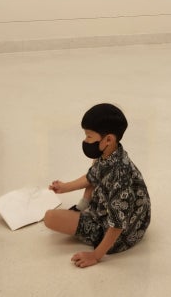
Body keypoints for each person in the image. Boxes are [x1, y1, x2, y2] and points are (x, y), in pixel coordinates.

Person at [44, 103, 151, 268]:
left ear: (108, 139)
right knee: (95, 166)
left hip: (118, 234)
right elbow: (92, 176)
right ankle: (82, 208)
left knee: (50, 218)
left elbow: (117, 224)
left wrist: (95, 256)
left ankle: (84, 215)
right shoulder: (109, 153)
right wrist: (65, 187)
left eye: (89, 137)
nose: (85, 141)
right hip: (109, 212)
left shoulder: (120, 176)